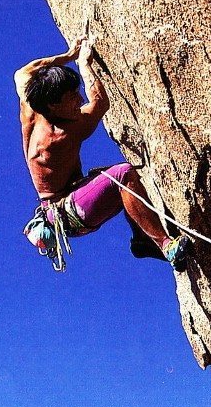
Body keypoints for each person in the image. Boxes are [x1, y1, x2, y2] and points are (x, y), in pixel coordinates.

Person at [14, 37, 188, 271]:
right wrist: (84, 64)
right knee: (123, 176)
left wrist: (68, 55)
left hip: (68, 198)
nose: (80, 99)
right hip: (67, 212)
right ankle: (165, 246)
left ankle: (141, 241)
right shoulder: (58, 136)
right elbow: (99, 101)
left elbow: (24, 71)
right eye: (72, 98)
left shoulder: (31, 102)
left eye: (76, 92)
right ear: (54, 106)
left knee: (123, 179)